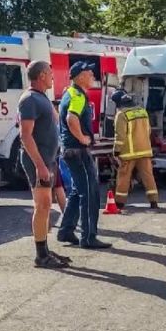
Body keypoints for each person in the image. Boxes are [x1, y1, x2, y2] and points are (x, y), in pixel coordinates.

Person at [17, 61, 71, 269]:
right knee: (42, 206)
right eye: (50, 73)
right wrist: (40, 165)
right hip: (38, 162)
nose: (52, 77)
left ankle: (45, 249)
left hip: (48, 160)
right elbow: (25, 136)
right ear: (41, 76)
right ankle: (41, 255)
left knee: (46, 206)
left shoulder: (41, 98)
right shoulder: (29, 99)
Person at [58, 61, 111, 249]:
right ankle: (88, 237)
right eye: (90, 74)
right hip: (78, 151)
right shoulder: (78, 95)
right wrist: (82, 138)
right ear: (80, 76)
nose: (93, 77)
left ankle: (66, 231)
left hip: (71, 151)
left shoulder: (69, 93)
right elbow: (71, 118)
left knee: (76, 192)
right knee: (89, 193)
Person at [111, 89, 160, 210]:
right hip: (145, 150)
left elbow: (120, 136)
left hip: (128, 153)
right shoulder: (142, 111)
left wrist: (116, 151)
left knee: (124, 177)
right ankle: (154, 202)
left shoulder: (121, 114)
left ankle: (119, 203)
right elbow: (148, 130)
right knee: (148, 176)